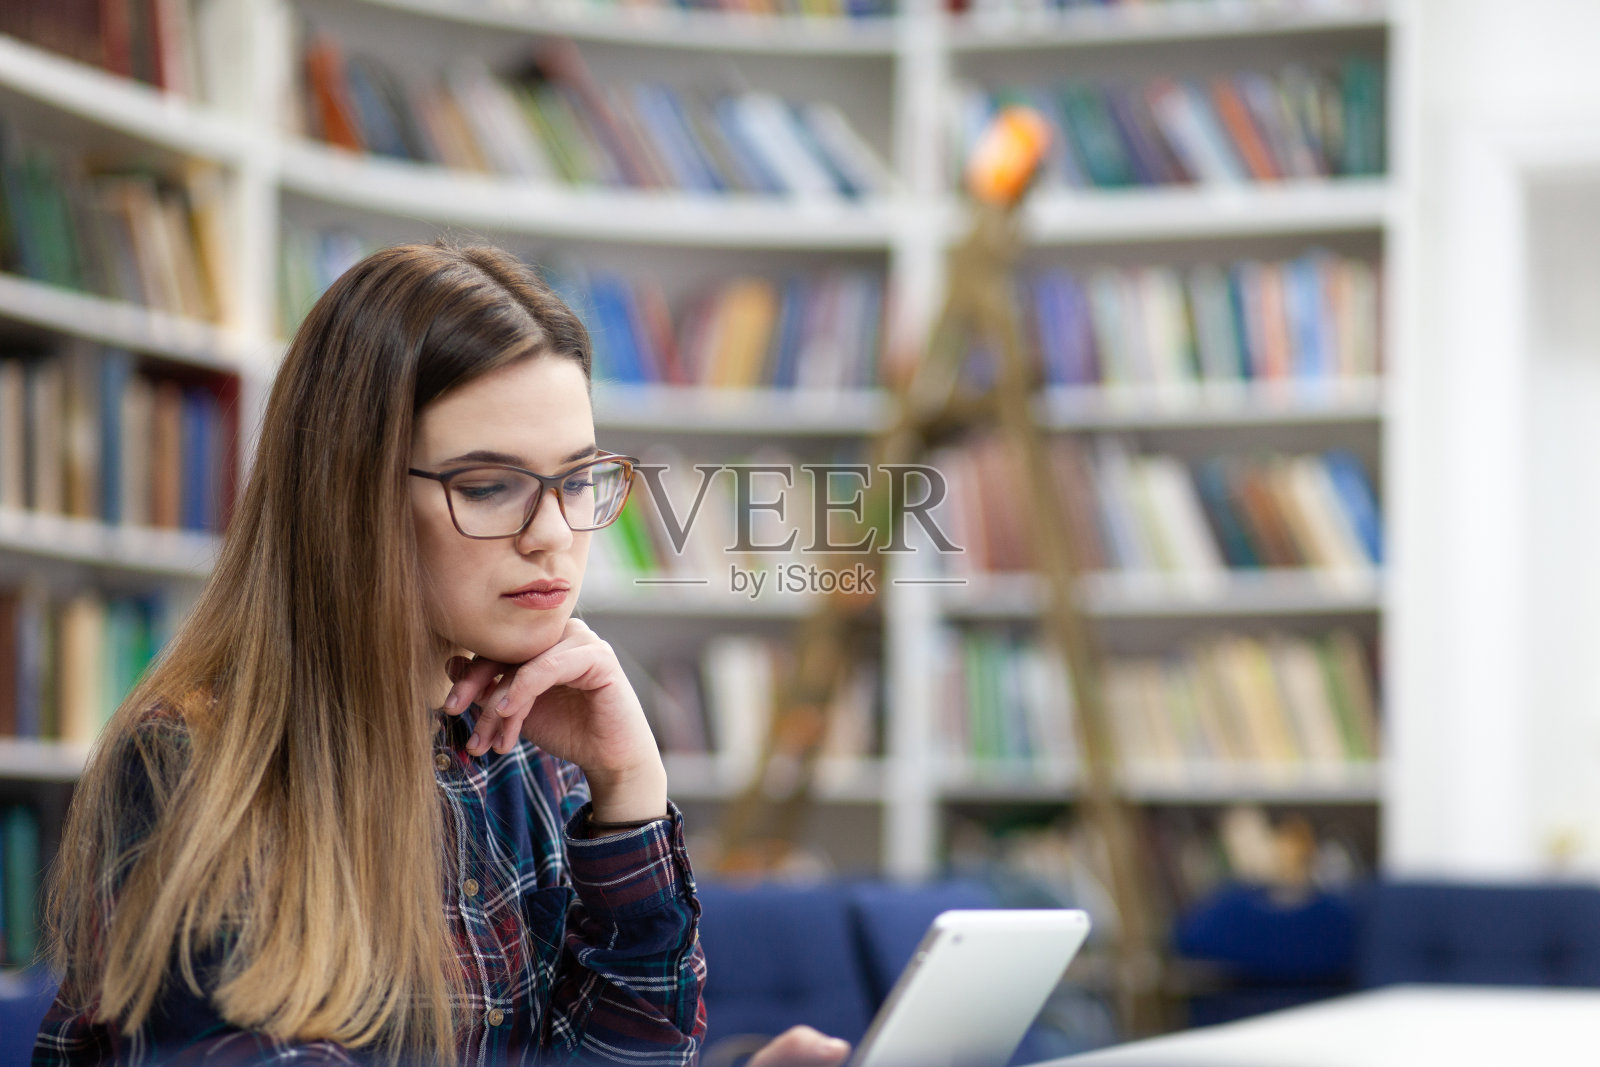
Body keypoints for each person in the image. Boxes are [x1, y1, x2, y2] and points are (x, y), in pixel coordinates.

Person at [30, 242, 853, 1067]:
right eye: (489, 485)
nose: (554, 536)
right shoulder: (194, 765)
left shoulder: (532, 752)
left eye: (574, 480)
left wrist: (630, 789)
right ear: (353, 495)